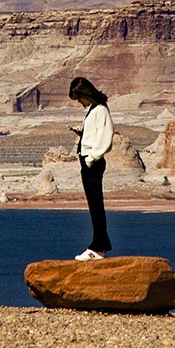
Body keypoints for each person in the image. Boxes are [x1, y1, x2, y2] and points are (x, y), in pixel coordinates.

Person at [67, 76, 114, 261]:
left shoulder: (100, 109)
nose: (79, 102)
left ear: (85, 93)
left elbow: (106, 135)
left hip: (92, 163)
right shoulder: (93, 109)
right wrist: (82, 132)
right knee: (94, 205)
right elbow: (96, 132)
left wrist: (91, 157)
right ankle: (101, 244)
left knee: (96, 205)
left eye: (79, 98)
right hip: (88, 161)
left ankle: (99, 246)